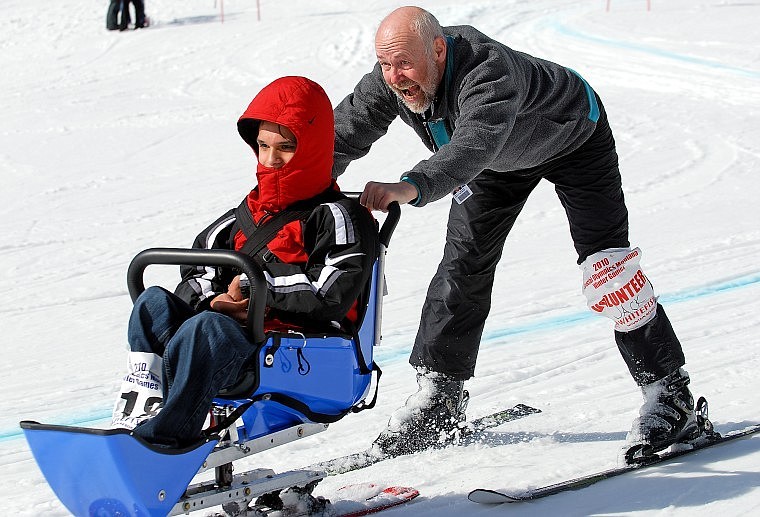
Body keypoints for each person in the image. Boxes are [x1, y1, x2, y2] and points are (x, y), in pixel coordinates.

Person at [332, 6, 698, 459]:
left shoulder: (488, 70)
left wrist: (411, 186)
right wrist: (292, 188)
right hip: (495, 162)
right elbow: (341, 133)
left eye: (404, 63)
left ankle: (671, 395)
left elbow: (473, 143)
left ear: (439, 49)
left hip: (571, 138)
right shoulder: (392, 78)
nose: (394, 76)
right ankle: (440, 398)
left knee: (610, 272)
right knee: (462, 266)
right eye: (386, 64)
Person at [111, 76, 380, 447]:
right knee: (153, 303)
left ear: (314, 148)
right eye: (263, 146)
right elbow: (197, 267)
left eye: (286, 147)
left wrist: (259, 293)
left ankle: (164, 438)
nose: (271, 159)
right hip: (236, 341)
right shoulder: (246, 215)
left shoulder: (339, 217)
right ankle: (140, 408)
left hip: (300, 353)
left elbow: (331, 293)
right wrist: (215, 300)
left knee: (207, 328)